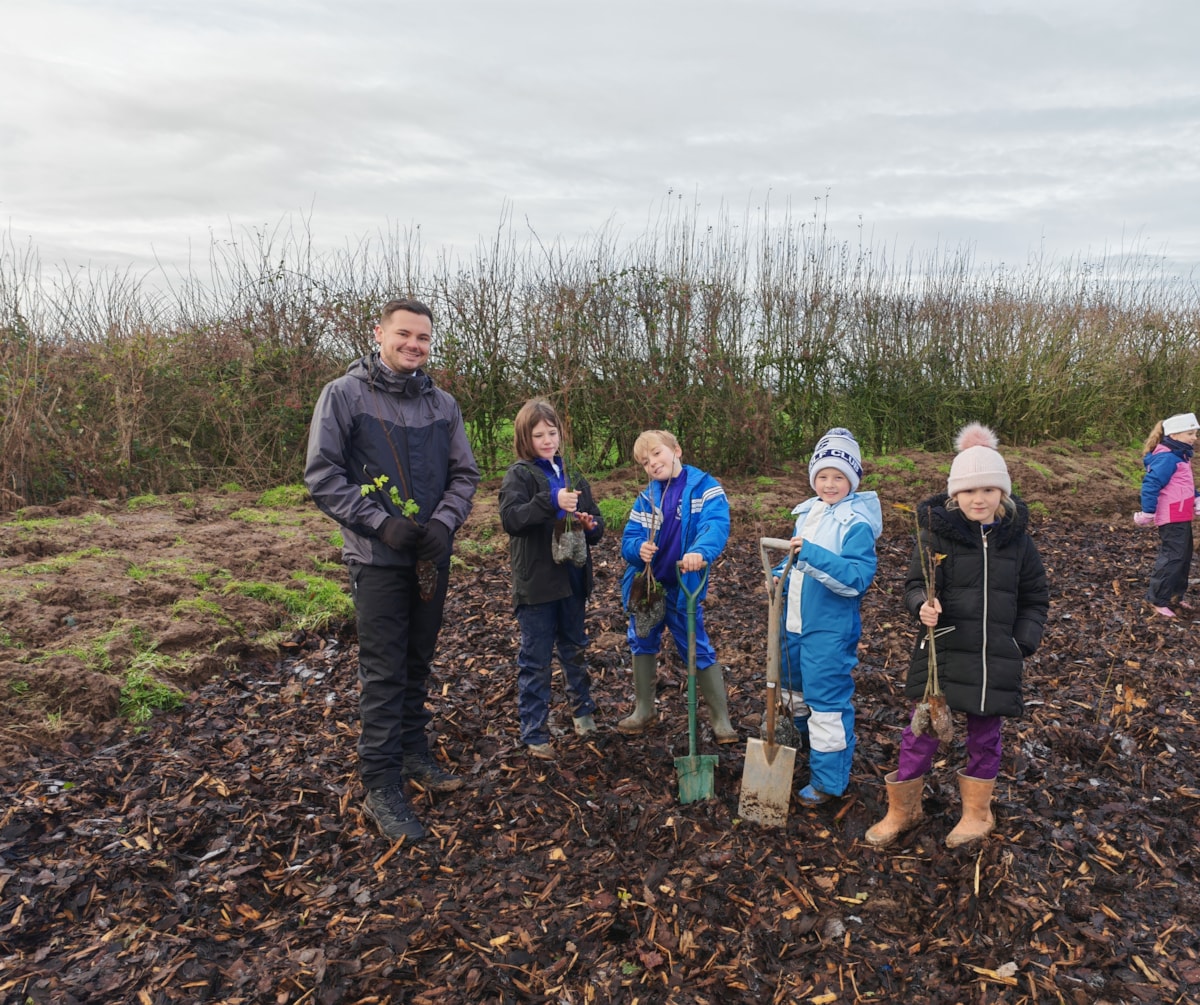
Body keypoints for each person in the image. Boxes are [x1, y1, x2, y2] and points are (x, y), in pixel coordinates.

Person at [304, 297, 480, 842]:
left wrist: (445, 524)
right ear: (379, 333)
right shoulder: (344, 395)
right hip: (377, 558)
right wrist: (380, 523)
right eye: (404, 334)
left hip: (430, 556)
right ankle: (381, 782)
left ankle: (411, 752)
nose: (414, 345)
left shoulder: (442, 405)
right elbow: (324, 475)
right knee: (383, 671)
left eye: (423, 338)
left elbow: (464, 474)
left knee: (418, 660)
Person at [865, 423, 1048, 850]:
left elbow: (1036, 597)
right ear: (954, 495)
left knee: (985, 736)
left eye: (988, 490)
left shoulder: (1018, 543)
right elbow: (914, 585)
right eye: (969, 491)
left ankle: (976, 813)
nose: (978, 499)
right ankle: (903, 809)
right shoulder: (934, 535)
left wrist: (1020, 643)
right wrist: (921, 606)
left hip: (993, 658)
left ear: (1002, 493)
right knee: (921, 733)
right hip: (943, 653)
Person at [776, 428, 882, 807]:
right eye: (823, 476)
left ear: (852, 479)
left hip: (828, 628)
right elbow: (791, 557)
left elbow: (856, 579)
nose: (830, 483)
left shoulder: (855, 523)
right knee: (793, 692)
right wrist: (777, 576)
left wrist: (811, 556)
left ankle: (827, 780)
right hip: (793, 622)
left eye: (839, 477)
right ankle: (801, 751)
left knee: (826, 702)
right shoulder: (809, 512)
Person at [498, 399, 605, 760]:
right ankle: (534, 730)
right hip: (538, 584)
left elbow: (598, 525)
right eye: (538, 434)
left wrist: (591, 526)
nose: (547, 440)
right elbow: (512, 520)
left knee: (575, 648)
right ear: (525, 437)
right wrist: (550, 499)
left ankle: (583, 711)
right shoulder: (520, 475)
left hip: (573, 579)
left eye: (552, 432)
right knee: (536, 658)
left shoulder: (572, 473)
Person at [617, 430, 736, 742]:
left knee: (695, 647)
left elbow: (716, 524)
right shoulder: (646, 498)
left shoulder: (705, 489)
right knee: (642, 638)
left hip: (684, 585)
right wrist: (637, 549)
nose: (653, 463)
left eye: (657, 454)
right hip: (649, 587)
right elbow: (629, 538)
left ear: (676, 450)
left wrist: (701, 551)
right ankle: (645, 709)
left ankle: (720, 718)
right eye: (645, 461)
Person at [1133, 412, 1200, 618]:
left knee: (1184, 556)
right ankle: (1156, 599)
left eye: (1196, 433)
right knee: (1172, 557)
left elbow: (1184, 485)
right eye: (1190, 433)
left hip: (1182, 514)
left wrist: (1196, 499)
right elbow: (1151, 484)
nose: (1195, 438)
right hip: (1171, 516)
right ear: (1175, 434)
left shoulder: (1180, 455)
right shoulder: (1167, 457)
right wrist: (1148, 512)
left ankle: (1175, 596)